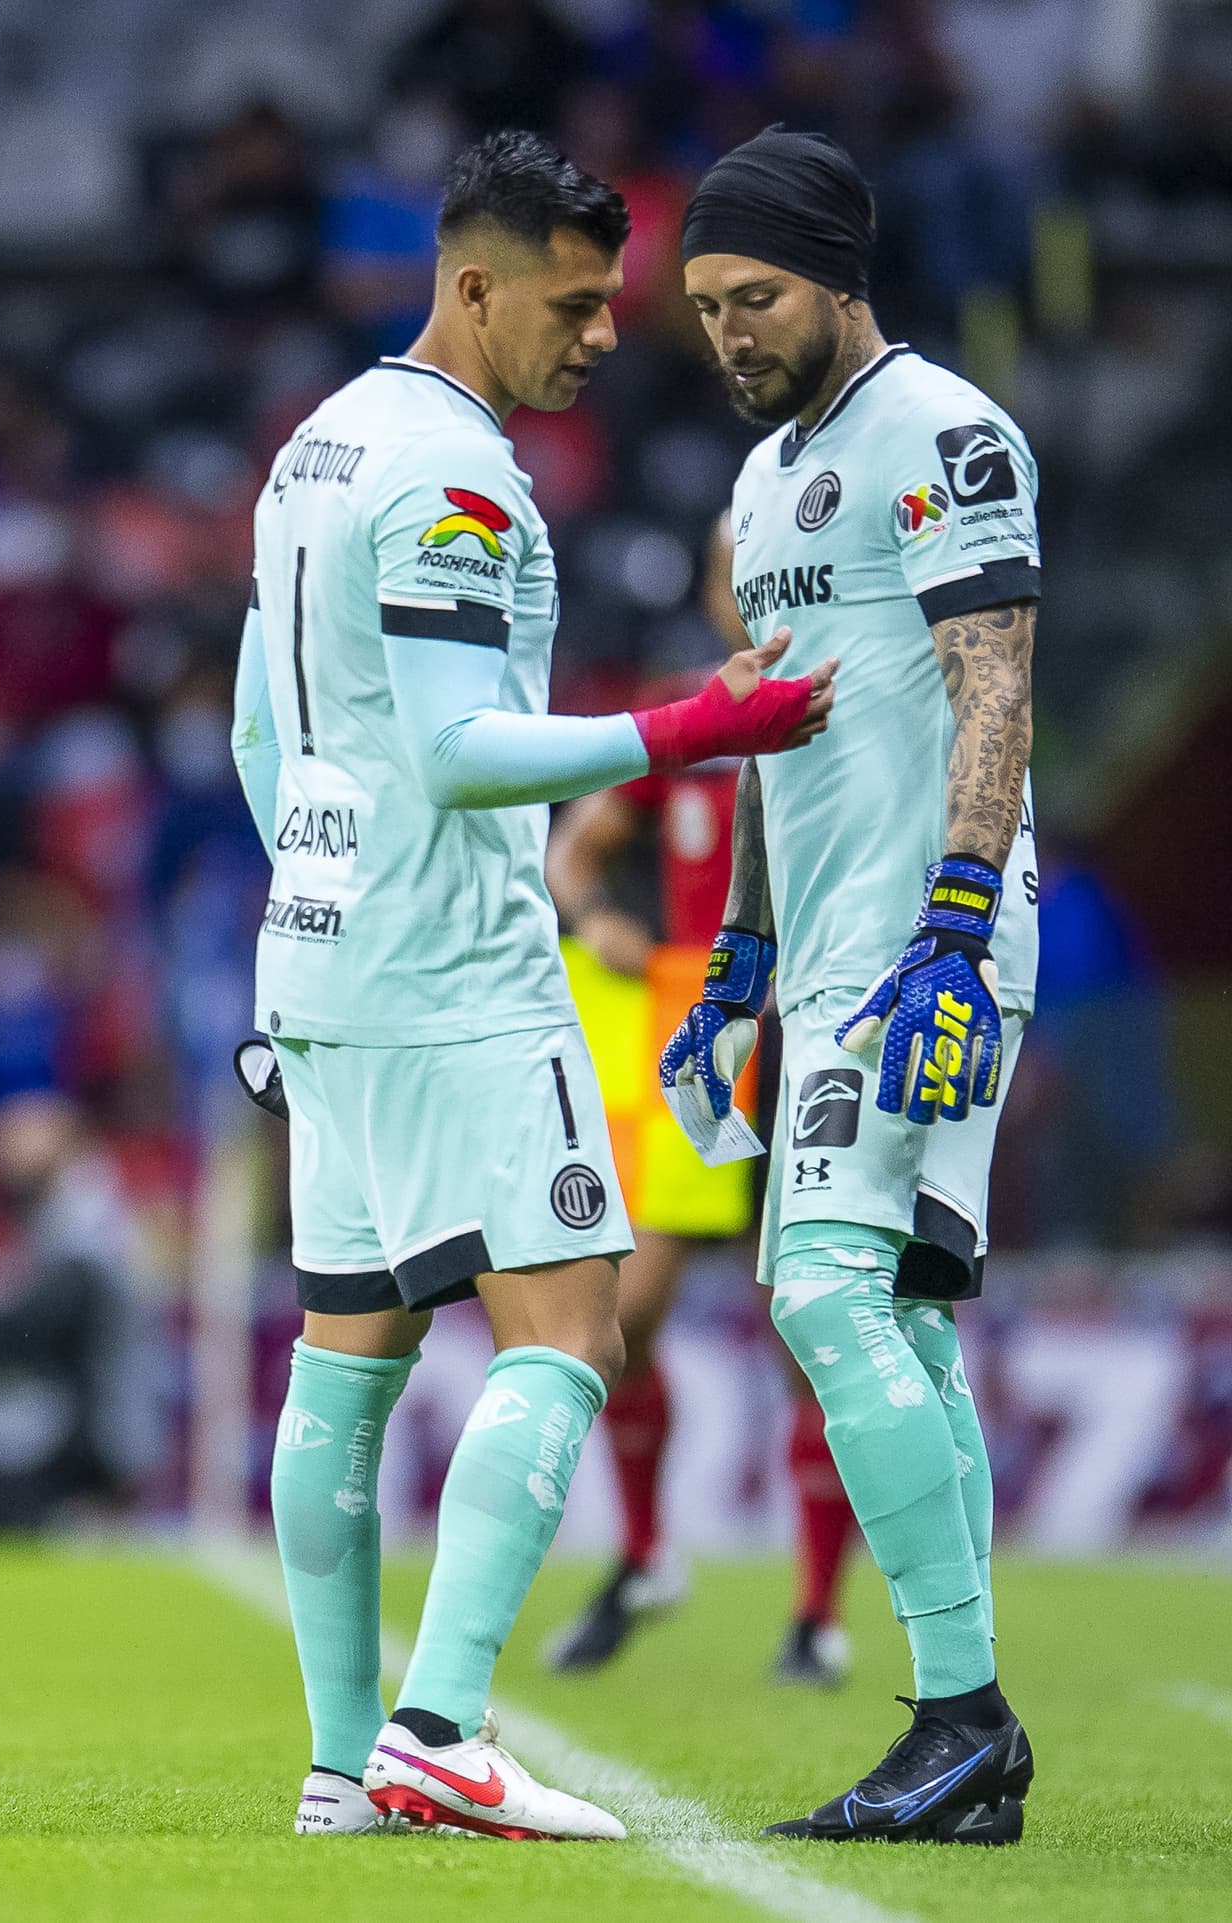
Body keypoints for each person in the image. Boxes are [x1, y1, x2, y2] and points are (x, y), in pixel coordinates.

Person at [230, 128, 836, 1844]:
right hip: (463, 973)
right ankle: (437, 1721)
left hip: (328, 967)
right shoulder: (459, 482)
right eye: (573, 304)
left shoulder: (314, 448)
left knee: (344, 1367)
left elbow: (258, 732)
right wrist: (691, 729)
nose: (601, 336)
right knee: (574, 1330)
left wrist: (312, 903)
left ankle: (346, 1763)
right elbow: (458, 750)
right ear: (474, 283)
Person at [663, 127, 1039, 1845]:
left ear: (836, 276)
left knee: (821, 1285)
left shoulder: (948, 433)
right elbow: (763, 738)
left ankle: (960, 1712)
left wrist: (956, 919)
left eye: (754, 298)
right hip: (817, 956)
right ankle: (965, 1736)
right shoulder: (758, 488)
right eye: (704, 307)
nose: (729, 333)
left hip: (920, 944)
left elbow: (998, 683)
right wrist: (737, 956)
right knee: (893, 1309)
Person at [542, 530, 858, 1686]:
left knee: (805, 1323)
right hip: (700, 1041)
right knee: (621, 1318)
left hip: (821, 1039)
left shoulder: (855, 705)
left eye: (762, 563)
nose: (743, 587)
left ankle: (816, 1613)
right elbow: (572, 854)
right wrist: (596, 924)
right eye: (730, 567)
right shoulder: (687, 718)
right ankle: (640, 1555)